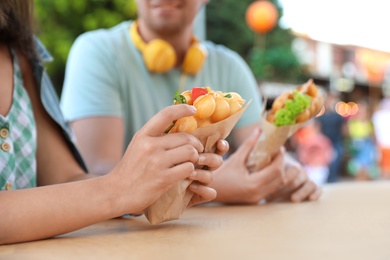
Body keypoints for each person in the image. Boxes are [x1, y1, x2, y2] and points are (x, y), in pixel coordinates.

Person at [0, 0, 227, 245]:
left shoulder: (20, 52)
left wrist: (149, 185)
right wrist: (117, 190)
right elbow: (108, 189)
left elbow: (65, 180)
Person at [60, 0, 321, 204]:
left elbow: (256, 158)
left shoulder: (230, 66)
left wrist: (281, 174)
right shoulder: (96, 51)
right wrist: (214, 184)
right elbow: (96, 175)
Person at [316, 91, 346, 183]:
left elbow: (343, 129)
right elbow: (317, 129)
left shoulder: (338, 116)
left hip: (335, 142)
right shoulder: (321, 117)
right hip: (325, 143)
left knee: (335, 162)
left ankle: (333, 180)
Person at [293, 120, 334, 186]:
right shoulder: (308, 141)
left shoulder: (322, 140)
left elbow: (302, 156)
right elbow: (329, 156)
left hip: (319, 169)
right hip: (311, 169)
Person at [372, 98, 390, 179]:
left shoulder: (378, 115)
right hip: (382, 142)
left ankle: (384, 178)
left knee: (385, 163)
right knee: (382, 162)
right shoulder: (378, 115)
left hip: (383, 143)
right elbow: (375, 130)